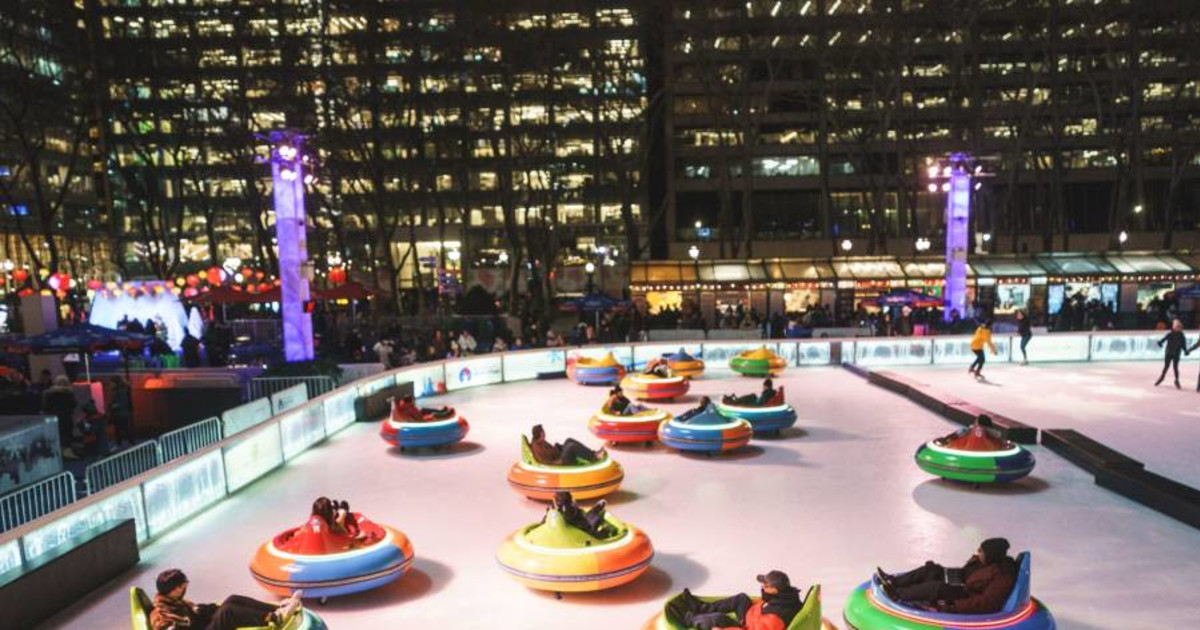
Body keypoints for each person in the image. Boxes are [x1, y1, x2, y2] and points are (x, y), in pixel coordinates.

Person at [876, 538, 1017, 615]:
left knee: (937, 587)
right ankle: (894, 581)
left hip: (967, 594)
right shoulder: (987, 561)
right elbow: (969, 572)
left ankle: (898, 594)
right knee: (932, 570)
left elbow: (987, 602)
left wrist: (954, 605)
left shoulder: (1003, 575)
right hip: (962, 581)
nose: (978, 552)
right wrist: (954, 573)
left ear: (992, 555)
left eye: (982, 551)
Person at [149, 568, 301, 630]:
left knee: (231, 600)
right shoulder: (163, 617)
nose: (186, 587)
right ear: (174, 589)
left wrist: (215, 608)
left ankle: (278, 609)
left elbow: (199, 611)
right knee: (228, 612)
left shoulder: (177, 602)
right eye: (183, 586)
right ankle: (275, 618)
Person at [665, 571, 804, 630]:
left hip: (747, 627)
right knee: (741, 599)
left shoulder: (775, 619)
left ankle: (686, 618)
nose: (762, 587)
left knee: (717, 619)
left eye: (765, 586)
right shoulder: (785, 597)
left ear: (774, 590)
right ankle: (699, 607)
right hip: (752, 617)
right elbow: (764, 606)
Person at [548, 490, 615, 539]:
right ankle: (596, 510)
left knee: (595, 534)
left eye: (557, 498)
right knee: (589, 518)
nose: (554, 498)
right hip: (577, 526)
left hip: (583, 530)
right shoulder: (558, 506)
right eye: (555, 497)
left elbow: (568, 516)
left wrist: (560, 508)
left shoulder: (570, 507)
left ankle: (605, 531)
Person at [528, 424, 606, 466]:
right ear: (541, 434)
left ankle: (593, 453)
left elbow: (550, 450)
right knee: (571, 446)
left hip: (558, 455)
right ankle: (593, 457)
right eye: (543, 432)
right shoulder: (537, 448)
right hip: (560, 461)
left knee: (568, 440)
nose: (545, 433)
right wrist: (558, 461)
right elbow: (546, 463)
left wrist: (557, 447)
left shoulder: (540, 441)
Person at [42, 375, 79, 460]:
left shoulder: (49, 394)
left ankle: (55, 454)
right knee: (66, 435)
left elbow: (46, 406)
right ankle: (67, 452)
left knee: (55, 435)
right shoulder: (69, 393)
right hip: (66, 417)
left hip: (53, 418)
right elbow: (73, 404)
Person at [1155, 319, 1189, 388]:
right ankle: (1162, 377)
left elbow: (1183, 345)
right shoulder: (1170, 334)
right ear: (1174, 327)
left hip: (1176, 353)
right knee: (1166, 366)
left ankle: (1176, 380)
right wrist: (1160, 343)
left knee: (1175, 367)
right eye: (1177, 327)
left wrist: (1185, 351)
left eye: (1179, 327)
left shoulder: (1181, 335)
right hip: (1169, 353)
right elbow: (1163, 340)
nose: (1178, 328)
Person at [109, 376, 135, 446]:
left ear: (115, 383)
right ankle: (129, 441)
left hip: (120, 413)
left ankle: (122, 442)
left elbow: (121, 402)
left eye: (111, 383)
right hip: (123, 412)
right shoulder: (122, 390)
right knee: (124, 428)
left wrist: (113, 406)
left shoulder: (119, 391)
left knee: (120, 428)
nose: (110, 385)